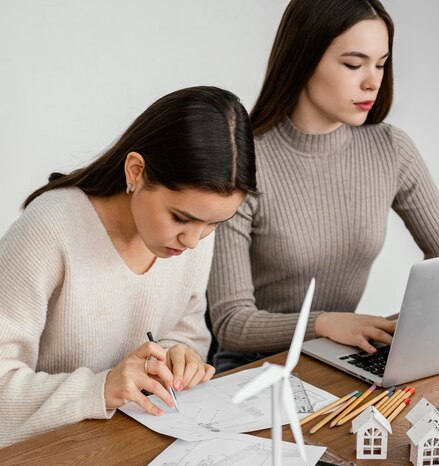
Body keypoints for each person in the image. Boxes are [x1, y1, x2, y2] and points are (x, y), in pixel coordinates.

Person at [0, 86, 256, 447]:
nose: (193, 241)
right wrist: (101, 387)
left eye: (215, 224)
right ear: (135, 172)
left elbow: (187, 334)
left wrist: (179, 357)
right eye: (180, 217)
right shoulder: (50, 229)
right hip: (43, 459)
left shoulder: (192, 237)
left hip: (122, 446)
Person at [208, 0, 439, 373]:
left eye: (381, 64)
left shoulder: (391, 149)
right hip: (255, 368)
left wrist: (416, 326)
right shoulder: (243, 162)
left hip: (337, 360)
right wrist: (323, 322)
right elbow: (232, 324)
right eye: (354, 64)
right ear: (303, 58)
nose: (373, 81)